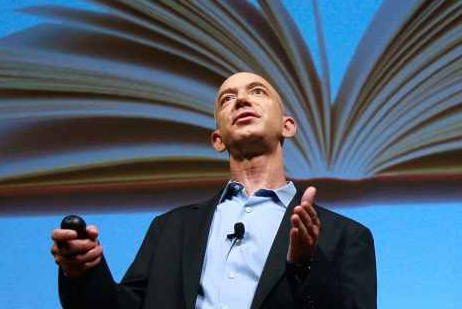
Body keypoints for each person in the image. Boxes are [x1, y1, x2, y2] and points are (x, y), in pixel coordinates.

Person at [50, 72, 377, 309]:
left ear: (287, 126)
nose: (243, 100)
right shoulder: (171, 229)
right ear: (217, 139)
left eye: (257, 91)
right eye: (228, 99)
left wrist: (306, 265)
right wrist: (83, 272)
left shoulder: (345, 236)